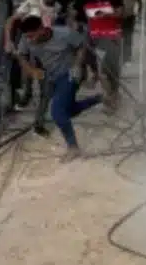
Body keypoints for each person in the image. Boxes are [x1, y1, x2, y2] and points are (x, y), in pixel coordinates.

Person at [15, 15, 102, 159]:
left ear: (42, 29)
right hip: (51, 76)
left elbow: (82, 46)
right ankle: (99, 99)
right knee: (68, 111)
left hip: (70, 74)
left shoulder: (64, 33)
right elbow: (21, 56)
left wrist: (77, 65)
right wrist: (31, 70)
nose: (30, 40)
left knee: (57, 112)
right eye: (27, 37)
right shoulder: (26, 39)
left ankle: (73, 147)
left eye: (32, 36)